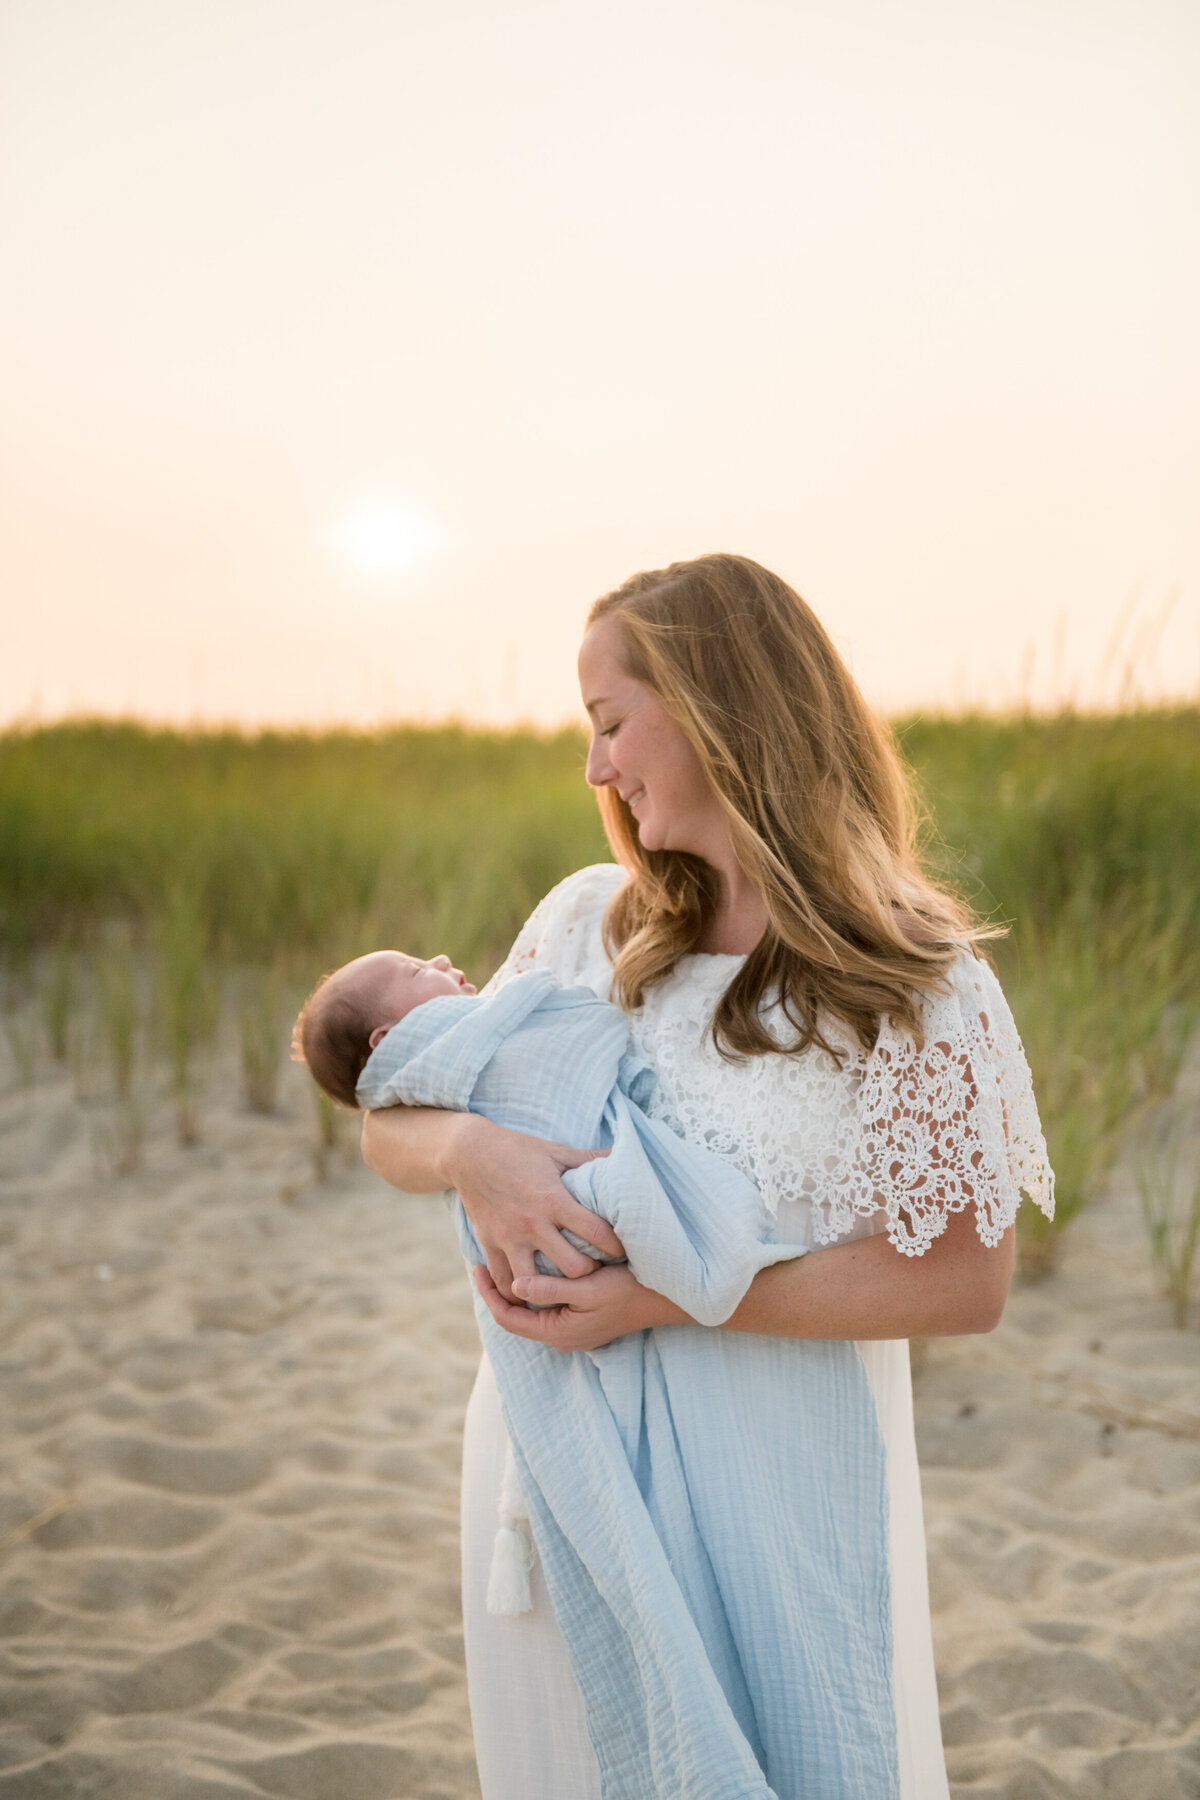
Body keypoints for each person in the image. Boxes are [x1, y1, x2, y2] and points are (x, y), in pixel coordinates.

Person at [361, 553, 1054, 1800]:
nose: (595, 769)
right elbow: (390, 1114)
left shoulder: (917, 981)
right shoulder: (585, 923)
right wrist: (475, 1156)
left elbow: (966, 1278)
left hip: (778, 1489)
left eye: (610, 723)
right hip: (560, 1473)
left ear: (719, 708)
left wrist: (669, 1296)